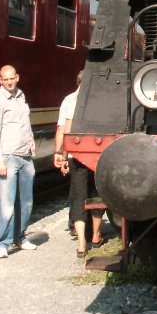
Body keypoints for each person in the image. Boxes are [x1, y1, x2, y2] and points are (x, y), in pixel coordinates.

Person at [0, 64, 37, 258]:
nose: (9, 82)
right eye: (5, 79)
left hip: (25, 157)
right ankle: (1, 243)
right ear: (0, 80)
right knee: (7, 203)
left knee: (26, 202)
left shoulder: (21, 96)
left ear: (17, 77)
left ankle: (20, 237)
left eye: (11, 78)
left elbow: (25, 125)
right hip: (8, 157)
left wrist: (32, 146)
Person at [54, 71, 103, 258]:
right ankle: (96, 236)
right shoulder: (100, 100)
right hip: (99, 155)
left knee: (79, 197)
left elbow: (65, 131)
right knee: (97, 194)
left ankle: (82, 243)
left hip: (76, 155)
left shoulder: (69, 100)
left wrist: (62, 154)